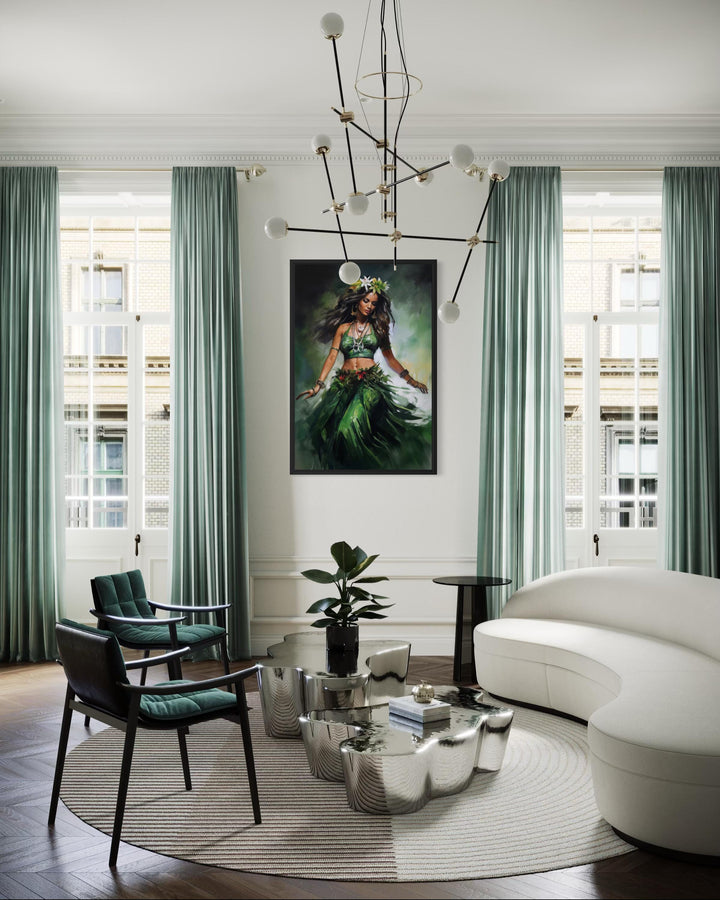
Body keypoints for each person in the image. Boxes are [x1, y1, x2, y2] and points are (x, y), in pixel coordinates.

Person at [296, 276, 431, 470]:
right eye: (366, 301)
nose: (369, 306)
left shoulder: (378, 327)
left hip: (370, 384)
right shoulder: (342, 329)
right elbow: (332, 357)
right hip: (343, 385)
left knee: (348, 427)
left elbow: (390, 358)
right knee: (334, 434)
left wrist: (412, 380)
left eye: (374, 303)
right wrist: (318, 385)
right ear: (357, 301)